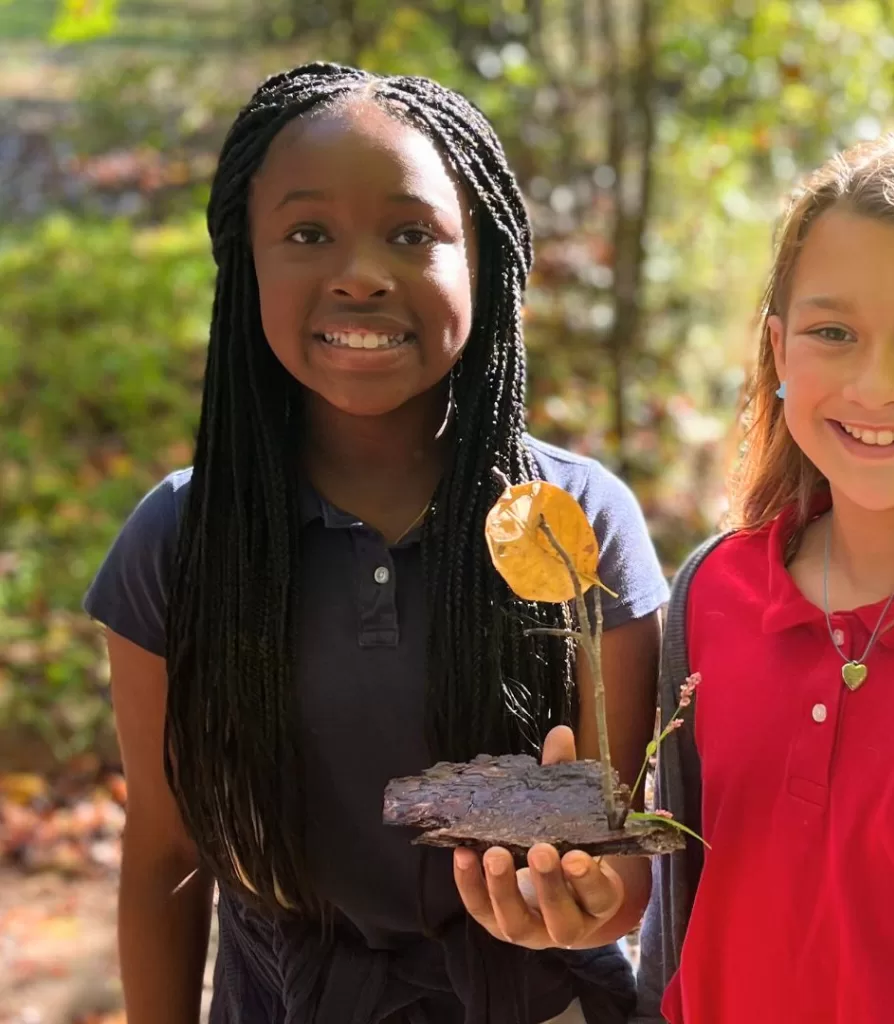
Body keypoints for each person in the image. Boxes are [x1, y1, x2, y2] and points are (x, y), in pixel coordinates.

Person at [83, 63, 669, 1024]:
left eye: (412, 233)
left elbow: (620, 876)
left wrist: (583, 900)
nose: (361, 272)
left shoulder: (578, 523)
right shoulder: (183, 543)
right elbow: (165, 854)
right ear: (246, 266)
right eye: (308, 234)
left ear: (484, 261)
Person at [636, 130, 894, 1024]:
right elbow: (679, 914)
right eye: (833, 333)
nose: (876, 384)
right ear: (778, 351)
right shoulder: (711, 595)